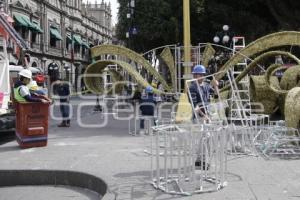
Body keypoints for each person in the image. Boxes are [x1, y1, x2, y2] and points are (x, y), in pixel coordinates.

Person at [188, 64, 219, 170]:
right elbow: (195, 106)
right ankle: (203, 161)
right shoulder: (192, 88)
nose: (201, 77)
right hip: (199, 117)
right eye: (198, 74)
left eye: (202, 75)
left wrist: (215, 86)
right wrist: (204, 115)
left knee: (203, 139)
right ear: (194, 75)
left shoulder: (206, 85)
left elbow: (216, 96)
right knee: (205, 138)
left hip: (206, 115)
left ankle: (198, 160)